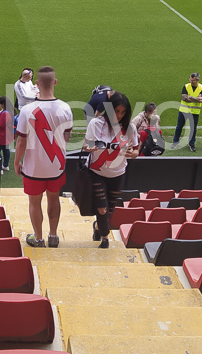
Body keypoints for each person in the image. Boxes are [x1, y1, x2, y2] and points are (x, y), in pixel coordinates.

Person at [14, 66, 72, 249]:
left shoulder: (26, 110)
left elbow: (21, 142)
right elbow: (67, 137)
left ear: (37, 84)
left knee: (34, 202)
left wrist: (17, 161)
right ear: (55, 82)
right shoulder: (65, 108)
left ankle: (38, 239)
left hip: (34, 168)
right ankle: (53, 236)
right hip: (56, 166)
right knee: (54, 199)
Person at [82, 91, 139, 248]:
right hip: (96, 172)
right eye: (116, 111)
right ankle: (105, 238)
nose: (119, 115)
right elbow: (86, 144)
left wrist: (134, 154)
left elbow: (136, 149)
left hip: (118, 173)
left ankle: (97, 227)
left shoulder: (130, 127)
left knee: (109, 210)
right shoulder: (96, 124)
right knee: (102, 208)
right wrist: (89, 148)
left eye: (123, 112)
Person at [171, 73, 202, 152]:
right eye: (190, 79)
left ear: (198, 80)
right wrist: (196, 98)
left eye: (193, 80)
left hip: (195, 112)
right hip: (184, 111)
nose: (191, 81)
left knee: (193, 129)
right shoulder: (186, 86)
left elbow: (201, 100)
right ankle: (175, 142)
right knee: (179, 127)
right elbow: (184, 98)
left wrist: (189, 97)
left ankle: (191, 144)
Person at [0, 96, 11, 173]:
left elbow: (0, 125)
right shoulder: (8, 111)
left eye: (0, 104)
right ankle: (5, 165)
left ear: (3, 104)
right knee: (6, 150)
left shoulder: (5, 113)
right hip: (6, 135)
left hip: (2, 135)